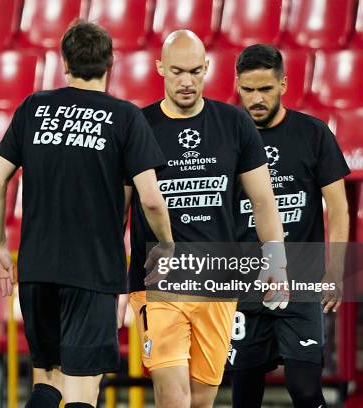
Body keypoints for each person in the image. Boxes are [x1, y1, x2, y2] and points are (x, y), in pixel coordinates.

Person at [0, 21, 173, 408]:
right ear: (111, 63)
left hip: (37, 270)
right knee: (82, 390)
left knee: (47, 379)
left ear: (64, 61)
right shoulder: (125, 117)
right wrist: (167, 245)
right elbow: (152, 200)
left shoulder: (35, 107)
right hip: (92, 273)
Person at [125, 30, 287, 408]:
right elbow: (121, 205)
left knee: (202, 398)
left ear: (207, 69)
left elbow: (263, 200)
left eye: (195, 71)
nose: (186, 81)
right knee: (174, 394)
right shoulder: (139, 125)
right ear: (160, 67)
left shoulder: (234, 123)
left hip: (216, 279)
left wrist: (276, 259)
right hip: (158, 279)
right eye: (178, 71)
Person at [227, 44, 350, 408]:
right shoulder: (227, 137)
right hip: (244, 283)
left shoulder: (314, 134)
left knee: (305, 389)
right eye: (248, 90)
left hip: (302, 280)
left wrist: (336, 269)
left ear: (283, 84)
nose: (256, 98)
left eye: (265, 89)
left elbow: (340, 208)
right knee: (244, 394)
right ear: (236, 85)